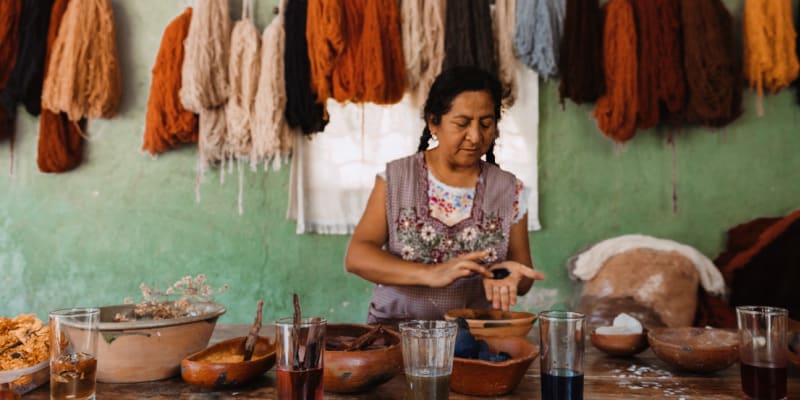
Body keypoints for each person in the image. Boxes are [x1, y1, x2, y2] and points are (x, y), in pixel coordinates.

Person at [345, 66, 545, 325]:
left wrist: (508, 277)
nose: (475, 136)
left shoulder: (510, 190)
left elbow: (524, 277)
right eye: (462, 124)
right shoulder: (396, 179)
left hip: (474, 339)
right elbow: (357, 256)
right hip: (396, 335)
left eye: (486, 124)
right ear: (433, 123)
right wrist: (430, 274)